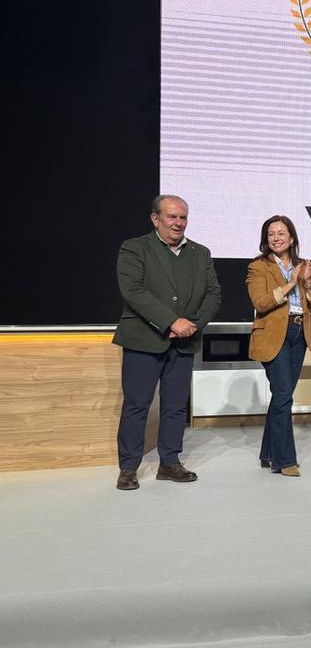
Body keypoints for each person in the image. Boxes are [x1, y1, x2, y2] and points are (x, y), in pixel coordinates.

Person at [113, 195, 222, 490]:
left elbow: (213, 294)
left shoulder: (201, 253)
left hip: (184, 342)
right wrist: (171, 321)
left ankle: (170, 462)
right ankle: (128, 468)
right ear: (155, 218)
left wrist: (192, 324)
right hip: (144, 340)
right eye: (172, 217)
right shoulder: (134, 248)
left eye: (183, 217)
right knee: (137, 405)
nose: (179, 223)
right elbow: (133, 291)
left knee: (175, 407)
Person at [246, 215, 311, 477]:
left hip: (299, 332)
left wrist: (309, 281)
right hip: (273, 334)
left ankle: (268, 453)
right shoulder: (258, 267)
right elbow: (261, 302)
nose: (276, 238)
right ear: (265, 240)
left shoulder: (304, 266)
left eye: (281, 233)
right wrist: (291, 283)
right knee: (283, 396)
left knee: (282, 396)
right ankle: (285, 459)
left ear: (292, 238)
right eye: (271, 234)